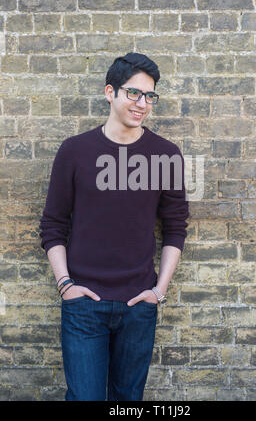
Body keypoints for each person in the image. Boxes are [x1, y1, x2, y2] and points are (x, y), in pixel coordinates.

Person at [39, 52, 189, 401]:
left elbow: (175, 227)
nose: (142, 104)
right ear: (110, 92)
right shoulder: (75, 151)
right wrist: (66, 285)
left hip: (139, 305)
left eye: (150, 96)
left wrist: (158, 291)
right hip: (84, 304)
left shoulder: (165, 155)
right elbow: (53, 224)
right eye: (133, 93)